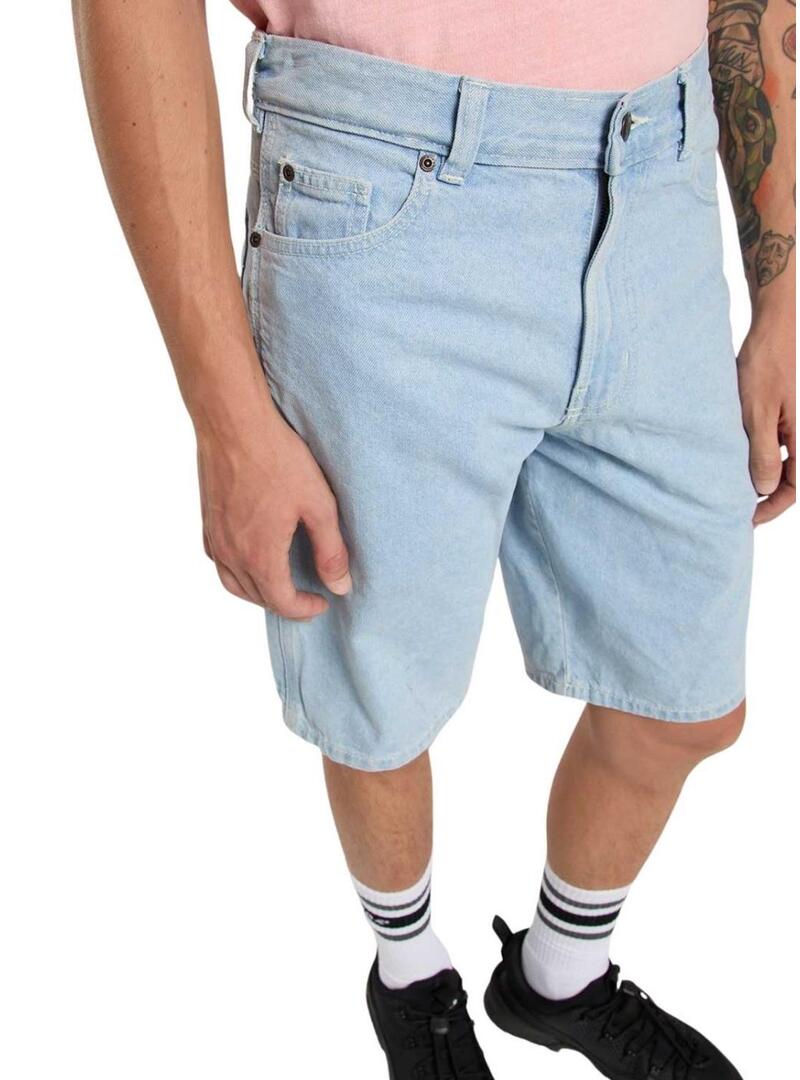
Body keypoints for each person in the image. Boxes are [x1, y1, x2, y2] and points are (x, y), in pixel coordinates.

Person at [72, 2, 795, 1077]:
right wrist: (225, 417)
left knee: (686, 702)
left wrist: (781, 293)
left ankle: (560, 975)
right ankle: (408, 972)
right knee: (379, 701)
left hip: (661, 180)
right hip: (384, 182)